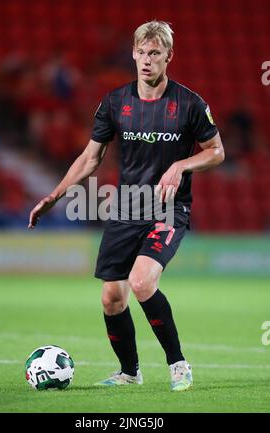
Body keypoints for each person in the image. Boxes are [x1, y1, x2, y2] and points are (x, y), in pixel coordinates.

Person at [28, 21, 225, 391]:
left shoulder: (190, 104)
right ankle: (129, 372)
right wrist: (55, 195)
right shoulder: (115, 103)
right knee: (111, 297)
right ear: (133, 53)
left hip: (169, 209)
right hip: (126, 208)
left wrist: (182, 165)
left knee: (141, 281)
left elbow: (217, 152)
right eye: (142, 52)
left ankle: (178, 364)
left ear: (169, 56)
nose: (147, 60)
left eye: (155, 53)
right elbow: (91, 158)